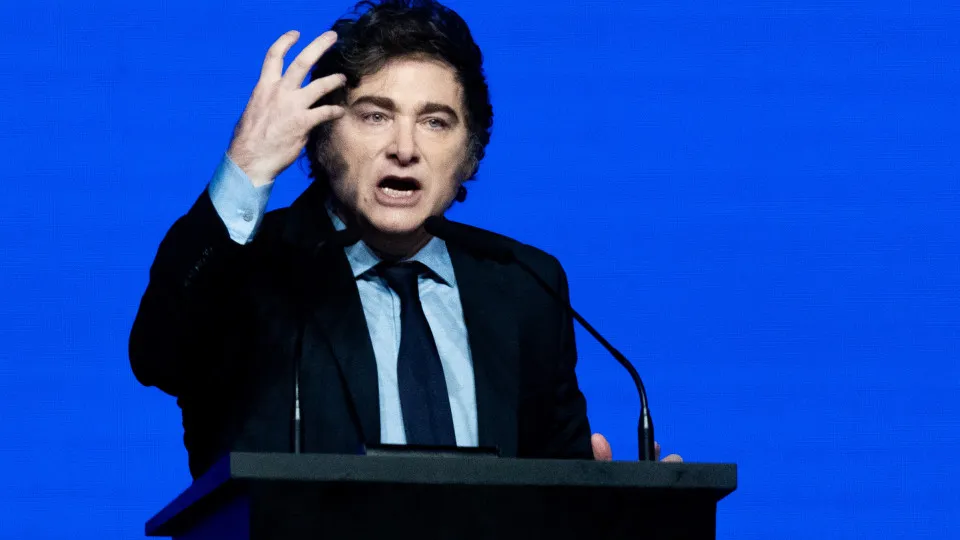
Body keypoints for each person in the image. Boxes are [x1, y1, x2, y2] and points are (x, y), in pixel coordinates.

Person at [129, 0, 678, 479]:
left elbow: (553, 485)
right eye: (375, 116)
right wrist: (247, 164)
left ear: (470, 155)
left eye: (435, 122)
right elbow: (159, 357)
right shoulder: (249, 266)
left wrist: (619, 507)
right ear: (319, 138)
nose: (405, 148)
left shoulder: (525, 282)